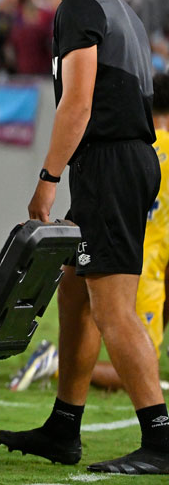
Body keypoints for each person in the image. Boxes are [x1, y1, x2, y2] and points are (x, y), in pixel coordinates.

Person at [0, 0, 169, 474]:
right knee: (75, 289)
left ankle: (161, 438)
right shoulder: (123, 11)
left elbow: (79, 101)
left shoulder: (78, 8)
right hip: (125, 160)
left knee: (114, 306)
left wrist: (47, 179)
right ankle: (64, 426)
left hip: (110, 162)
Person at [90, 73, 169, 392]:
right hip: (146, 267)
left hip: (123, 258)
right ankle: (55, 363)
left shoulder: (134, 147)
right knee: (137, 371)